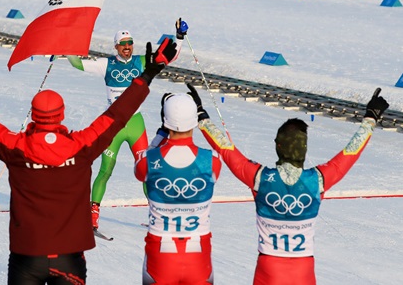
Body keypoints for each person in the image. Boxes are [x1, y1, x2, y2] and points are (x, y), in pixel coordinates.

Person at [0, 39, 178, 284]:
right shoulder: (82, 145)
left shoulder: (14, 147)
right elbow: (117, 115)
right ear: (62, 115)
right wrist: (147, 75)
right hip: (69, 258)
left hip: (26, 256)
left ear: (34, 115)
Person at [194, 84, 389, 284]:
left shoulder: (259, 178)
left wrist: (202, 118)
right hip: (303, 271)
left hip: (268, 270)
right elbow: (351, 151)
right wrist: (370, 118)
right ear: (304, 150)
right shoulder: (317, 181)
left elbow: (226, 149)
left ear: (278, 146)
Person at [66, 22, 186, 231]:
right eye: (123, 44)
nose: (127, 47)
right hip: (114, 126)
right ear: (116, 47)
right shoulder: (106, 64)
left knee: (147, 171)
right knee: (105, 171)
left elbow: (169, 56)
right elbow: (77, 63)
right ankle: (92, 217)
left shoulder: (141, 61)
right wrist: (67, 46)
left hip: (135, 124)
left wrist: (180, 37)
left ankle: (156, 216)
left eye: (130, 43)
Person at [135, 92, 221, 284]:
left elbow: (140, 167)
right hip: (198, 259)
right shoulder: (212, 161)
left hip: (161, 258)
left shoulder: (149, 161)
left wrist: (161, 134)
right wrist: (203, 118)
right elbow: (225, 147)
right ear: (194, 122)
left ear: (166, 122)